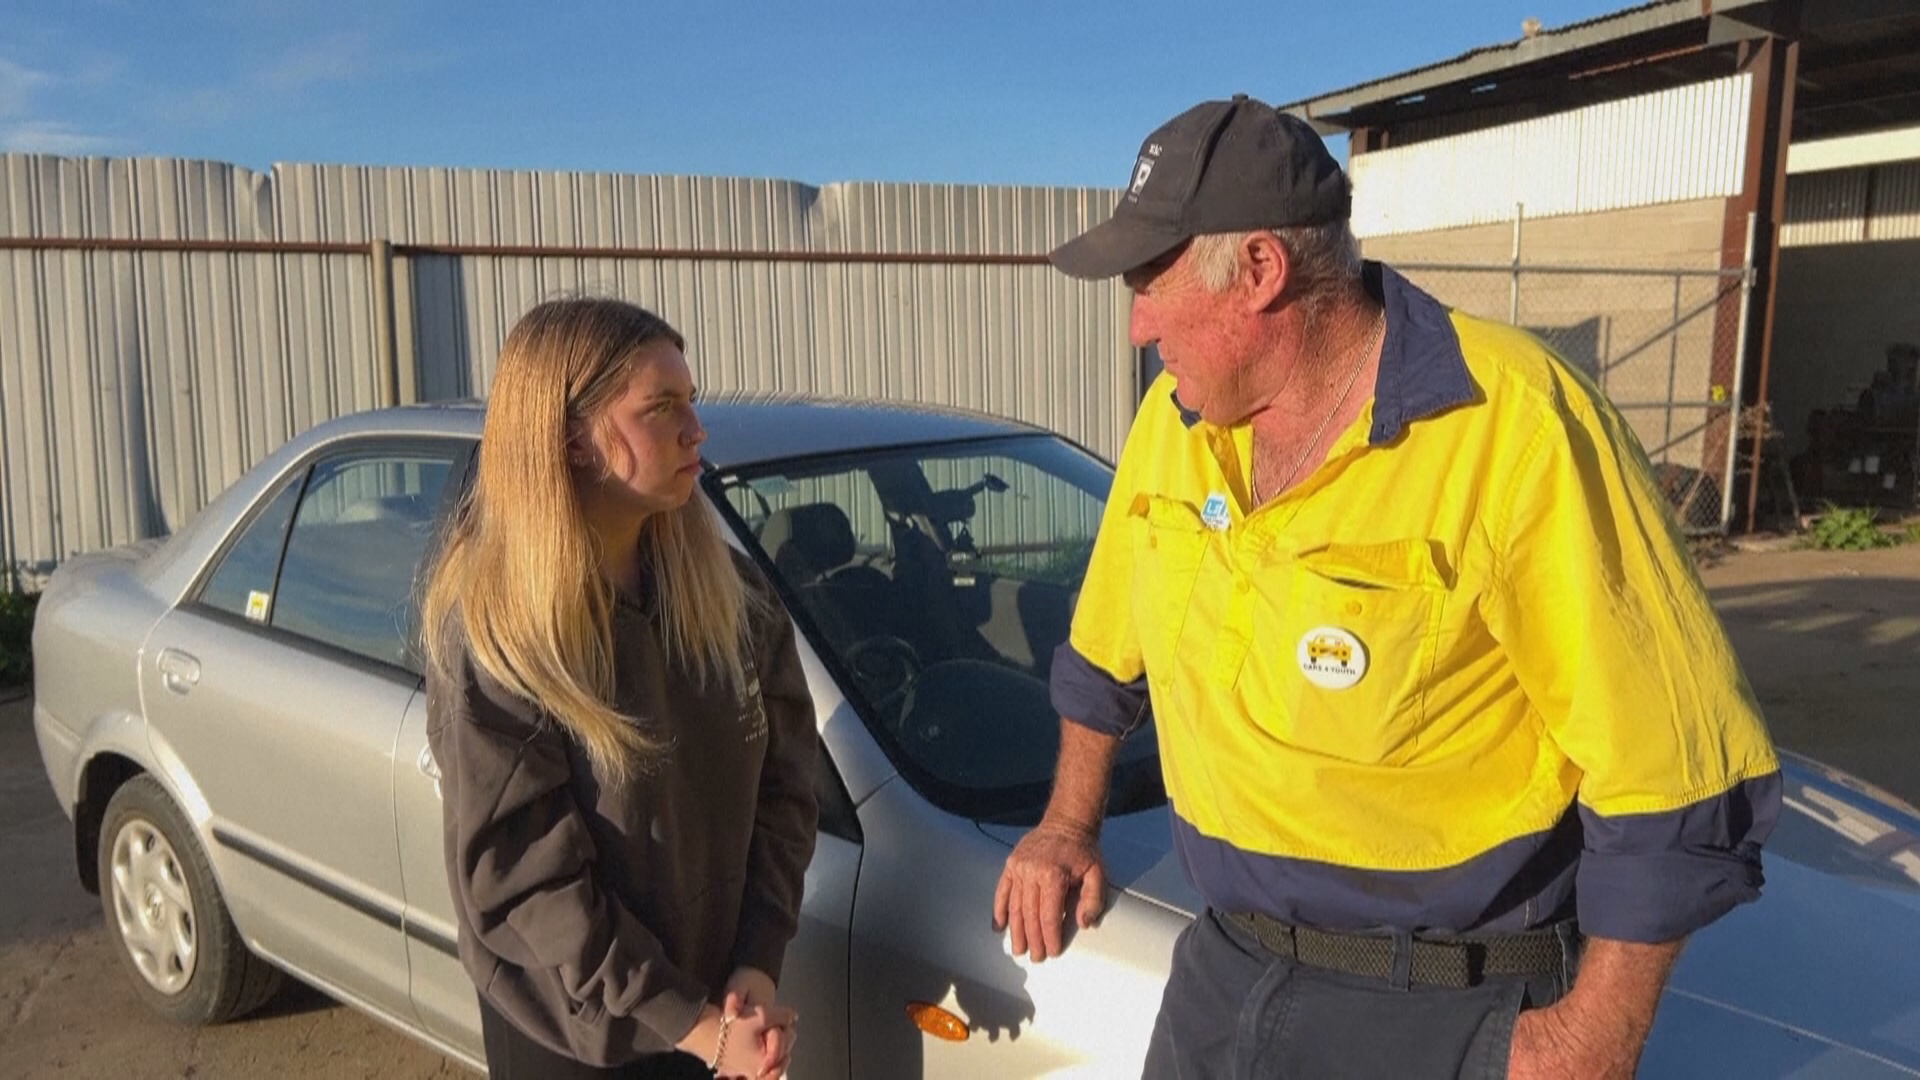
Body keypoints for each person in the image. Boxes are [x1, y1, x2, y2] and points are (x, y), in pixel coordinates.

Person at [993, 95, 1781, 1079]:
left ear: (1261, 270)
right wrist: (1067, 825)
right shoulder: (1174, 424)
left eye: (1151, 284)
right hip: (1225, 975)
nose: (1136, 326)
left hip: (1443, 1008)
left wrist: (1586, 1045)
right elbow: (1104, 654)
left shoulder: (1515, 425)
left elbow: (1674, 770)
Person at [421, 298, 819, 1080]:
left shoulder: (732, 597)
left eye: (691, 401)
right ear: (570, 439)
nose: (695, 429)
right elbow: (528, 880)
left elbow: (788, 788)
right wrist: (691, 1023)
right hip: (579, 1038)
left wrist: (755, 965)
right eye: (661, 407)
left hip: (719, 1012)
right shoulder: (503, 635)